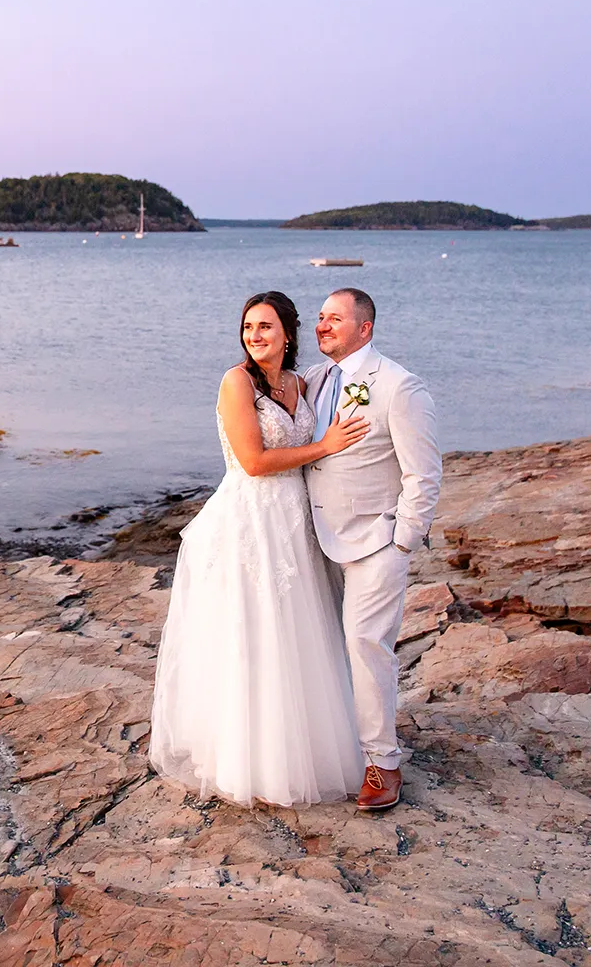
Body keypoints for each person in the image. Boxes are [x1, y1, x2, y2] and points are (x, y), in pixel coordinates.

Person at [149, 291, 370, 806]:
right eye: (249, 327)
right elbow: (251, 460)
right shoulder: (237, 382)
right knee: (254, 635)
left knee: (300, 634)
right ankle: (251, 763)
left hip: (296, 521)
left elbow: (348, 383)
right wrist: (325, 446)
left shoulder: (302, 381)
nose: (255, 335)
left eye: (266, 327)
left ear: (287, 333)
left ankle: (307, 752)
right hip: (251, 519)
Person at [301, 288, 442, 812]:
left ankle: (384, 764)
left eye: (334, 318)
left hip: (375, 541)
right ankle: (342, 747)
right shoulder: (313, 381)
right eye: (319, 318)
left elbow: (423, 473)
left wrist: (402, 540)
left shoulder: (400, 387)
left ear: (365, 328)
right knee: (323, 646)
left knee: (366, 644)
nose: (322, 326)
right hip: (315, 540)